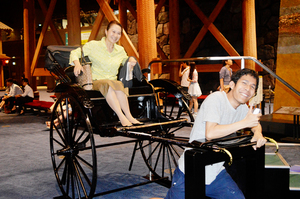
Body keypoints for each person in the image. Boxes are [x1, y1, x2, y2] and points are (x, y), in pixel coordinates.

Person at [165, 68, 267, 199]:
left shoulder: (242, 108)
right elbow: (210, 133)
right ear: (232, 84)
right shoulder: (216, 99)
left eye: (252, 86)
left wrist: (258, 133)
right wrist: (244, 123)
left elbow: (254, 124)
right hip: (191, 171)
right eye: (244, 83)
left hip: (216, 173)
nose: (248, 89)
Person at [70, 20, 142, 127]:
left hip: (112, 82)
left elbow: (124, 61)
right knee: (109, 84)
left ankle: (129, 116)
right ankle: (121, 117)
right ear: (106, 31)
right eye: (113, 32)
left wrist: (130, 59)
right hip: (95, 81)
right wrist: (77, 64)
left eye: (118, 33)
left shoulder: (120, 50)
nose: (115, 35)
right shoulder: (94, 45)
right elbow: (74, 52)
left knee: (118, 84)